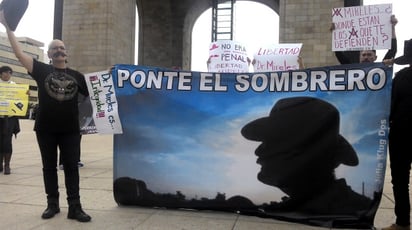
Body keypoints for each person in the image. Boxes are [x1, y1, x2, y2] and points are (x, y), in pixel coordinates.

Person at [0, 12, 91, 222]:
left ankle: (75, 207)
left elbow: (97, 92)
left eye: (62, 48)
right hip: (45, 129)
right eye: (54, 48)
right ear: (49, 54)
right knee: (48, 167)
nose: (59, 50)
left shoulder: (77, 76)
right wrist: (7, 27)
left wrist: (114, 74)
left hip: (70, 130)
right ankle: (53, 204)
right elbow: (18, 53)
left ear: (66, 54)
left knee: (71, 168)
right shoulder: (40, 70)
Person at [241, 97, 372, 216]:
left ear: (302, 153)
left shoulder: (352, 211)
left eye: (273, 142)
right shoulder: (344, 205)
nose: (258, 152)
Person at [383, 39, 412, 230]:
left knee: (400, 180)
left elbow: (389, 106)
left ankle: (402, 223)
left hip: (402, 134)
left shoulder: (401, 77)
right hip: (401, 133)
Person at [330, 15, 398, 64]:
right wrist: (335, 34)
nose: (366, 57)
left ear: (375, 57)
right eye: (364, 55)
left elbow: (392, 50)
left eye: (369, 55)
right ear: (360, 56)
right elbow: (339, 54)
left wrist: (392, 27)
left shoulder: (381, 68)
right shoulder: (351, 69)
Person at [0, 66, 20, 175]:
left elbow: (20, 100)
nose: (7, 75)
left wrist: (25, 96)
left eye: (9, 73)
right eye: (5, 73)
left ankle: (7, 165)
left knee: (7, 142)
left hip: (10, 118)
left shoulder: (14, 86)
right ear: (1, 74)